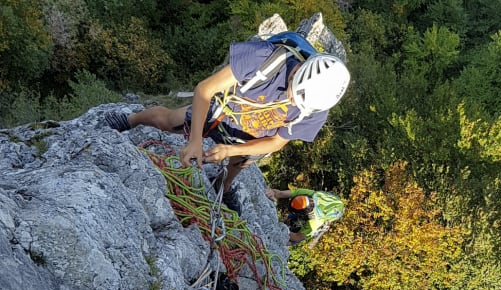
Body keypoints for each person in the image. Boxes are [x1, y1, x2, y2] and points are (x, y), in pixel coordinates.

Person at [105, 37, 350, 194]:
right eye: (295, 93)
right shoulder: (264, 58)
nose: (294, 102)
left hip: (249, 138)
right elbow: (205, 89)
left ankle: (225, 188)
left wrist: (229, 150)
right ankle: (130, 120)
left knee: (237, 165)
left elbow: (277, 142)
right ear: (300, 72)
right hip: (222, 112)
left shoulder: (317, 108)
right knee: (168, 121)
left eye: (300, 102)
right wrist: (195, 140)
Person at [265, 187, 344, 245]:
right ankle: (287, 223)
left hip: (329, 212)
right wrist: (272, 192)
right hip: (324, 203)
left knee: (291, 241)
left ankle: (287, 242)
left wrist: (280, 230)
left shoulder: (315, 222)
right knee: (291, 221)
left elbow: (297, 237)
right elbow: (280, 193)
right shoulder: (307, 194)